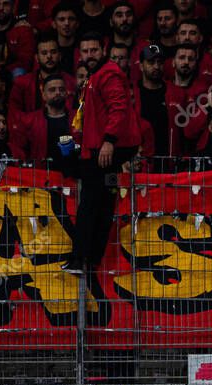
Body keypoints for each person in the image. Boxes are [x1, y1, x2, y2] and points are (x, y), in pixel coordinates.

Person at [61, 32, 141, 276]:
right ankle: (90, 259)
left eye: (94, 50)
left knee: (90, 204)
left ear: (103, 49)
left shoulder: (108, 73)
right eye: (85, 51)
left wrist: (109, 141)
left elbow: (119, 107)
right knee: (103, 202)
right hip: (100, 148)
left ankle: (81, 258)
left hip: (106, 148)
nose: (89, 55)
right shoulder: (98, 76)